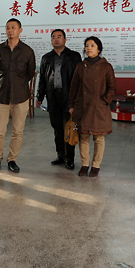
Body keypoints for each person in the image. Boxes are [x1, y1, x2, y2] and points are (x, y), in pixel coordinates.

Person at [0, 18, 35, 173]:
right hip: (2, 97)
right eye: (7, 27)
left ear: (20, 30)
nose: (10, 30)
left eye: (13, 27)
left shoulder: (27, 51)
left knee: (17, 132)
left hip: (21, 97)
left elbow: (30, 73)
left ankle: (12, 160)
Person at [68, 36, 116, 178]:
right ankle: (84, 164)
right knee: (83, 136)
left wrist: (104, 101)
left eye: (92, 45)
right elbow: (74, 87)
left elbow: (112, 87)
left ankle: (96, 165)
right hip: (82, 106)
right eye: (87, 45)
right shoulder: (80, 66)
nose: (88, 48)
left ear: (98, 49)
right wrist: (71, 104)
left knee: (98, 138)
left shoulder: (106, 66)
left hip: (99, 107)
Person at [36, 29, 82, 170]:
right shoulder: (46, 58)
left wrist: (77, 100)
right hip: (53, 97)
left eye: (59, 37)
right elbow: (42, 79)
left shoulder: (74, 56)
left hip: (69, 97)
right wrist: (39, 97)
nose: (56, 39)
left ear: (65, 39)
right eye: (53, 37)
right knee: (57, 128)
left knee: (69, 128)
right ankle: (60, 155)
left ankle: (70, 158)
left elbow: (79, 79)